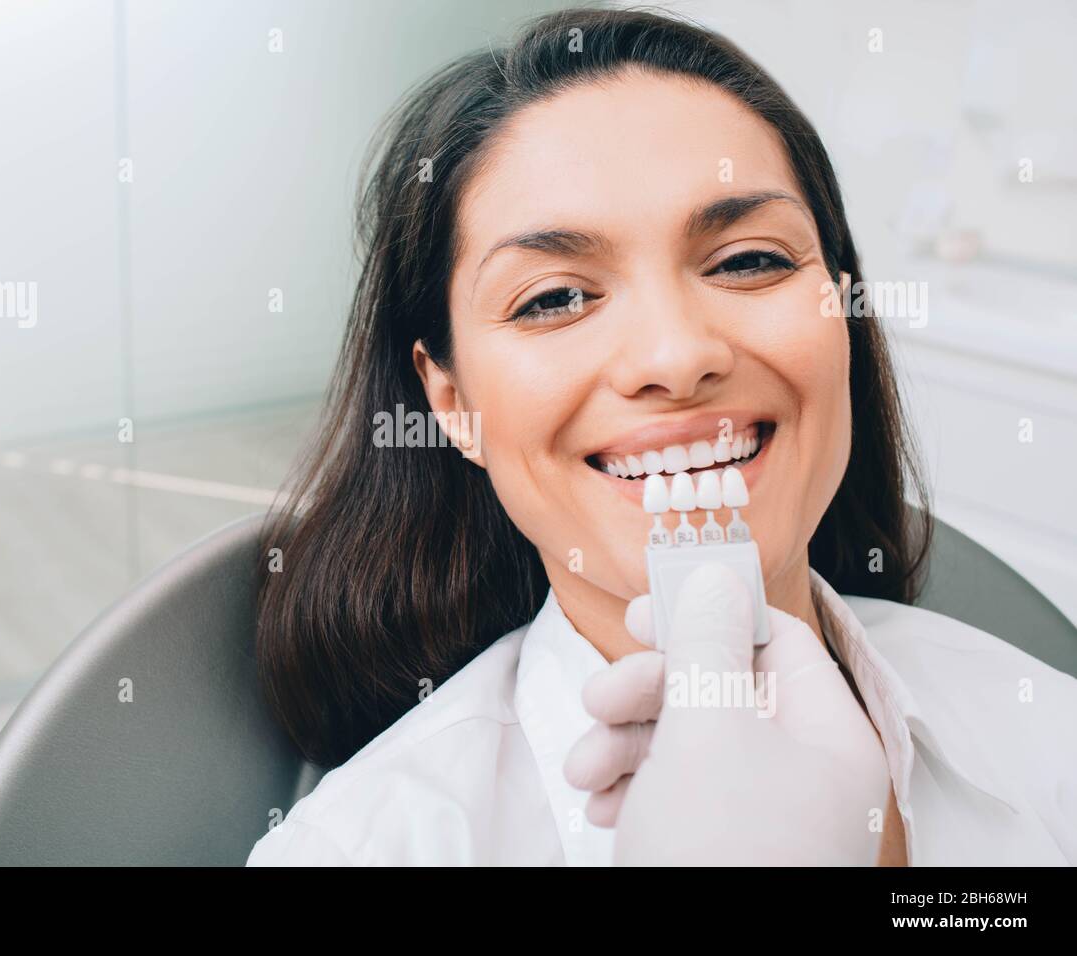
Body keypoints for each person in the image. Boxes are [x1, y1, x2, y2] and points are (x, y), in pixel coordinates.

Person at [246, 6, 1077, 866]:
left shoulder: (1045, 732)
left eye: (749, 260)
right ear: (452, 402)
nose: (677, 357)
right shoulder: (358, 849)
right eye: (555, 297)